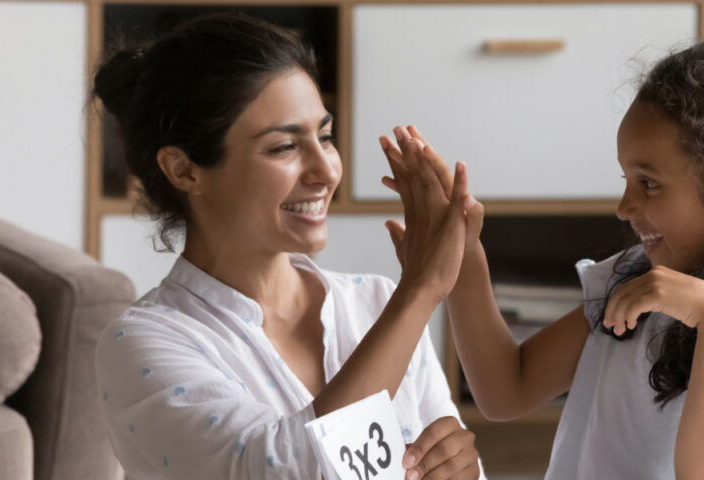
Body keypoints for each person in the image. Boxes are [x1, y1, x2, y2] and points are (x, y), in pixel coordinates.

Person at [380, 37, 704, 479]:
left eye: (649, 184)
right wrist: (465, 259)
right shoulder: (634, 280)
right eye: (626, 180)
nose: (625, 207)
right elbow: (505, 389)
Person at [92, 13, 483, 480]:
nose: (325, 171)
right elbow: (283, 470)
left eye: (324, 137)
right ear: (184, 170)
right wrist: (419, 290)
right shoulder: (142, 345)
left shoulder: (377, 303)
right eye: (284, 147)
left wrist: (459, 469)